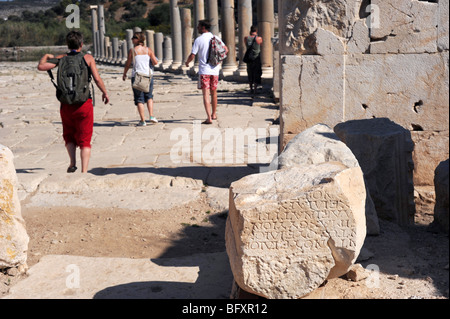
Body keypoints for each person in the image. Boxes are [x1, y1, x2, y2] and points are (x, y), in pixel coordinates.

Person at [37, 31, 109, 174]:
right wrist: (105, 92)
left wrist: (46, 56)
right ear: (81, 44)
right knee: (85, 138)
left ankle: (72, 163)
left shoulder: (61, 58)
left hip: (66, 104)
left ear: (67, 44)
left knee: (69, 134)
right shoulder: (88, 58)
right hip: (84, 103)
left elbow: (41, 67)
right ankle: (84, 171)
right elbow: (97, 79)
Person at [185, 19, 228, 124]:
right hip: (215, 70)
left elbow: (192, 55)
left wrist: (187, 62)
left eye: (199, 26)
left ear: (203, 27)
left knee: (205, 94)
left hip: (204, 71)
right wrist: (218, 60)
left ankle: (208, 118)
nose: (197, 28)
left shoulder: (198, 40)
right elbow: (226, 49)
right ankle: (214, 114)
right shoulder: (215, 38)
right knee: (214, 93)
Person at [123, 32, 159, 126]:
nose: (131, 39)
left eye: (133, 38)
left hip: (137, 76)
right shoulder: (148, 50)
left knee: (139, 99)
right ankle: (151, 116)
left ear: (138, 39)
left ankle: (143, 120)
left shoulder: (132, 51)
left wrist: (124, 73)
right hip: (148, 76)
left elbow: (128, 63)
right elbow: (155, 62)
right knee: (149, 96)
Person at [244, 25, 263, 95]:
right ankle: (255, 89)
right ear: (256, 31)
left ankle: (251, 89)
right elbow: (261, 44)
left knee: (250, 73)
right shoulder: (259, 38)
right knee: (256, 73)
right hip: (256, 58)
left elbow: (246, 45)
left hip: (249, 58)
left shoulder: (246, 38)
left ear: (250, 31)